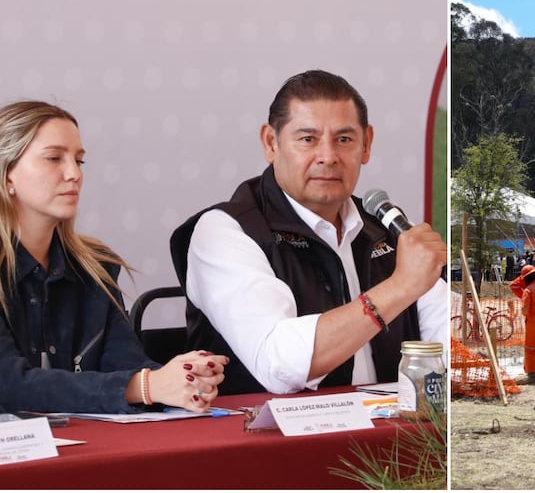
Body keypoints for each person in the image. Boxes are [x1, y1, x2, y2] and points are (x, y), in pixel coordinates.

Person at [170, 70, 448, 395]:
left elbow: (449, 336)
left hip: (389, 434)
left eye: (344, 140)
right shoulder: (226, 230)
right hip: (272, 440)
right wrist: (401, 286)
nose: (328, 157)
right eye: (308, 139)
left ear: (367, 144)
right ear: (271, 143)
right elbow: (278, 364)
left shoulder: (382, 227)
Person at [0, 101, 227, 414]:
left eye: (79, 161)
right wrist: (146, 386)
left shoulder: (95, 267)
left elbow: (126, 365)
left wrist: (184, 377)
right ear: (7, 174)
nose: (73, 174)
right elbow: (9, 387)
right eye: (54, 158)